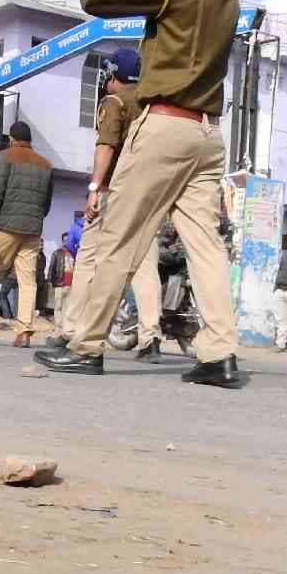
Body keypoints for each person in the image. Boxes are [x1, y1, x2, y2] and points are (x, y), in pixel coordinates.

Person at [35, 0, 242, 387]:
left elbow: (94, 0)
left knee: (118, 235)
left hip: (165, 127)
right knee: (205, 246)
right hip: (208, 135)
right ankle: (219, 355)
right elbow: (171, 26)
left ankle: (86, 345)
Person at [45, 47, 163, 364]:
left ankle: (71, 332)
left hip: (115, 191)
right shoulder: (152, 106)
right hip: (150, 194)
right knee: (144, 266)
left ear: (112, 75)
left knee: (88, 260)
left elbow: (106, 147)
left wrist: (94, 188)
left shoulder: (114, 102)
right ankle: (151, 337)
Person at [0, 120, 53, 348]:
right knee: (27, 282)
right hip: (32, 230)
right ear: (30, 140)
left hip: (5, 226)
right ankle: (24, 333)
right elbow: (46, 203)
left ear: (12, 139)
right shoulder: (45, 164)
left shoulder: (4, 157)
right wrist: (35, 219)